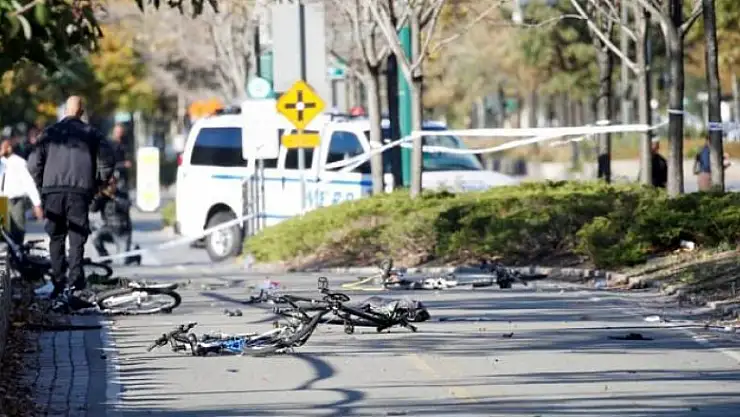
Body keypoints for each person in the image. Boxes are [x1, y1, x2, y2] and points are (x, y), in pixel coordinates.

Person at [28, 96, 115, 298]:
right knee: (77, 239)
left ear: (65, 111)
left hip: (53, 191)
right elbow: (107, 162)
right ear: (81, 112)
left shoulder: (49, 133)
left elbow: (33, 164)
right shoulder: (92, 134)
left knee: (56, 237)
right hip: (80, 192)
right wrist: (98, 184)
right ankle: (75, 283)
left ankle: (58, 283)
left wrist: (42, 185)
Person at [0, 137, 44, 243]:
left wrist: (36, 203)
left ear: (10, 148)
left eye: (4, 147)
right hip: (2, 201)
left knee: (17, 232)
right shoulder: (1, 162)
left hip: (16, 201)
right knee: (3, 233)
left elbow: (29, 183)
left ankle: (17, 251)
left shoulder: (19, 162)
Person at [91, 177, 139, 265]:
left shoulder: (122, 195)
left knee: (123, 261)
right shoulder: (102, 197)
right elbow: (93, 209)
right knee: (95, 236)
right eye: (107, 185)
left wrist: (113, 196)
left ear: (115, 184)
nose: (109, 187)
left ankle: (135, 255)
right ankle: (105, 257)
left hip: (122, 232)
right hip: (108, 229)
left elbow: (126, 206)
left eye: (111, 184)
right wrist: (98, 197)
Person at [111, 124, 132, 193]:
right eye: (117, 132)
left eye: (120, 132)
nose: (119, 134)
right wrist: (123, 164)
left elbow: (128, 157)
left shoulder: (125, 143)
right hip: (114, 176)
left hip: (124, 176)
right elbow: (109, 163)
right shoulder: (110, 145)